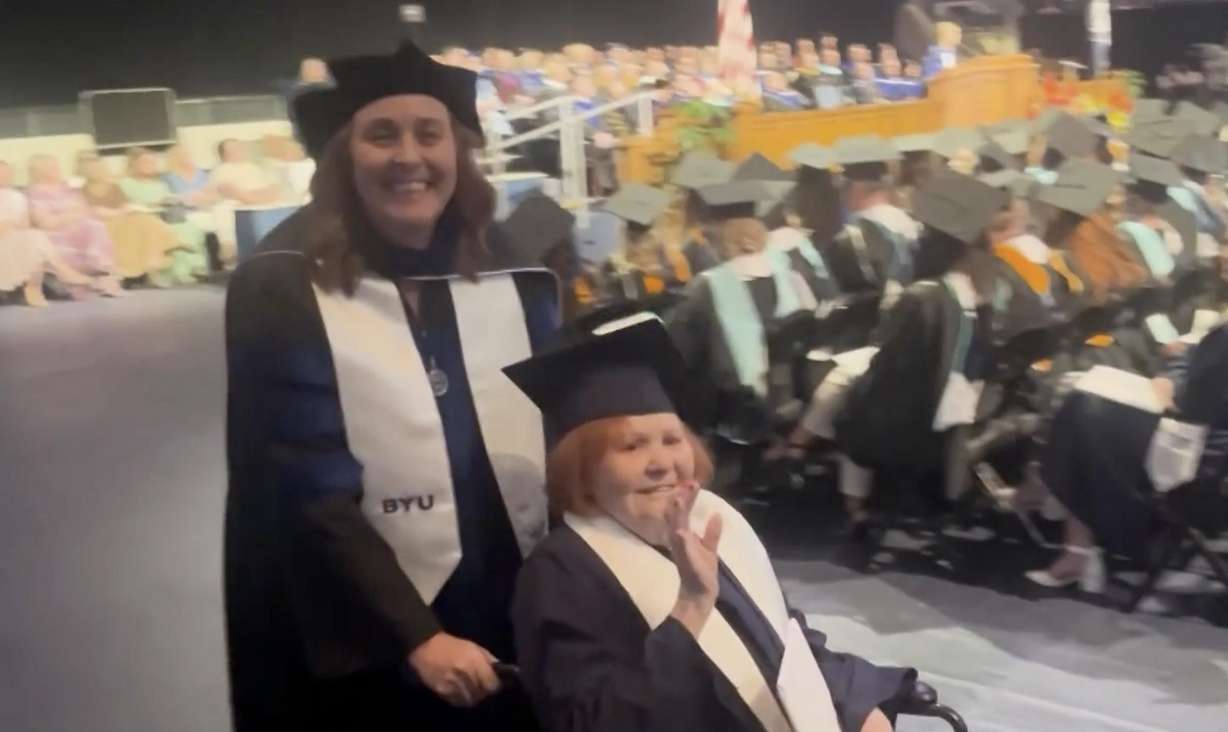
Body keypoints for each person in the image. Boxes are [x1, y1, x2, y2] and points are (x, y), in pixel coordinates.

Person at [223, 41, 558, 732]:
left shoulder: (510, 265)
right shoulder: (284, 282)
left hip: (508, 592)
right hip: (362, 625)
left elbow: (558, 419)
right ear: (342, 156)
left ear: (458, 151)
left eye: (429, 134)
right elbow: (307, 490)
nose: (410, 156)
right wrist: (417, 636)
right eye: (382, 135)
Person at [507, 316, 917, 732]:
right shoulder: (561, 572)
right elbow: (592, 724)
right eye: (632, 446)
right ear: (582, 468)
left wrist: (855, 705)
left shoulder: (712, 523)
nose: (662, 463)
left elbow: (781, 639)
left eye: (672, 440)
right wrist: (691, 607)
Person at [791, 172, 1009, 528]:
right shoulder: (985, 290)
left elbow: (887, 368)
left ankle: (850, 503)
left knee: (848, 392)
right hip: (966, 405)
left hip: (912, 417)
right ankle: (803, 448)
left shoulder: (923, 297)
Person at [1027, 323, 1228, 590]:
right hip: (1204, 452)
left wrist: (1172, 376)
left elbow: (1192, 400)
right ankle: (1070, 537)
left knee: (1082, 410)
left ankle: (1067, 535)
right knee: (1082, 400)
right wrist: (1175, 372)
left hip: (1200, 470)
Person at [667, 181, 818, 436]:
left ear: (716, 237)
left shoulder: (708, 287)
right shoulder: (791, 274)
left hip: (736, 418)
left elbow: (676, 353)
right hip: (795, 406)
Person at [80, 154, 194, 287]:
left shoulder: (113, 187)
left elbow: (124, 205)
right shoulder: (81, 191)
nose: (95, 172)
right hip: (102, 225)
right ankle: (172, 243)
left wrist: (126, 209)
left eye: (97, 168)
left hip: (121, 220)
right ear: (85, 171)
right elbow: (88, 213)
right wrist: (112, 212)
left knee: (144, 220)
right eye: (91, 169)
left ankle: (153, 266)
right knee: (141, 223)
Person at [26, 155, 124, 298]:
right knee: (88, 229)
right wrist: (71, 216)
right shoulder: (35, 192)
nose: (56, 170)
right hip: (55, 232)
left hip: (79, 228)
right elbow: (46, 222)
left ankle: (102, 274)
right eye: (51, 167)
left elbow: (85, 210)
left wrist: (77, 215)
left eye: (56, 166)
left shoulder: (67, 187)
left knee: (96, 226)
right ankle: (81, 281)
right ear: (39, 171)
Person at [0, 159, 94, 306]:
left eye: (7, 173)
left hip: (16, 239)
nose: (5, 176)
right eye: (1, 173)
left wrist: (14, 227)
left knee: (34, 237)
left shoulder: (17, 197)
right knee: (35, 238)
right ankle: (63, 272)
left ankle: (34, 288)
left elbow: (25, 225)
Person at [120, 147, 210, 282]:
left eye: (152, 162)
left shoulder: (160, 184)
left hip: (164, 215)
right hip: (141, 219)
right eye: (145, 162)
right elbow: (126, 205)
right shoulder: (125, 183)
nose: (150, 165)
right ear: (134, 164)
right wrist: (152, 205)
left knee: (188, 227)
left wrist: (172, 201)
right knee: (167, 229)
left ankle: (191, 268)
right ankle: (175, 272)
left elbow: (168, 199)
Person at [210, 139, 282, 206]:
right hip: (243, 208)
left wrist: (265, 196)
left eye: (239, 148)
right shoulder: (221, 170)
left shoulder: (253, 167)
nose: (239, 151)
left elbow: (273, 188)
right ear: (224, 155)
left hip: (267, 204)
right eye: (233, 149)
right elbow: (231, 191)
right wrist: (256, 198)